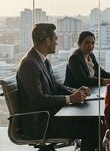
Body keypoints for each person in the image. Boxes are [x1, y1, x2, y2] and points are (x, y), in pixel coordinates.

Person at [16, 23, 99, 151]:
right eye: (55, 39)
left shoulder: (42, 60)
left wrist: (75, 91)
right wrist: (69, 99)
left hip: (50, 116)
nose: (57, 43)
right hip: (40, 123)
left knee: (94, 121)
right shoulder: (29, 64)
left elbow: (54, 85)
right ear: (47, 41)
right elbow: (38, 100)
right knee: (93, 127)